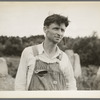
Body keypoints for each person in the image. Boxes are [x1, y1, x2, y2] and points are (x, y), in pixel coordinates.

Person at [15, 14, 77, 91]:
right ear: (45, 29)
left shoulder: (63, 57)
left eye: (62, 30)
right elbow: (20, 84)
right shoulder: (29, 52)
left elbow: (71, 85)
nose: (60, 33)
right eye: (56, 29)